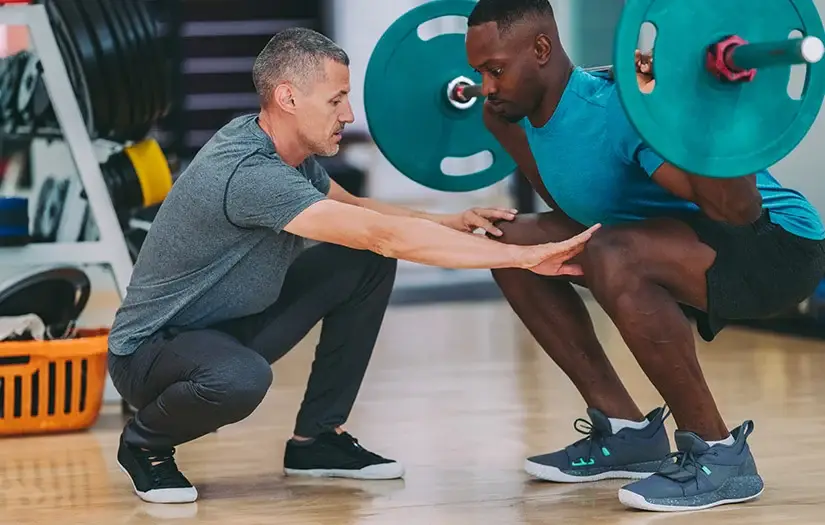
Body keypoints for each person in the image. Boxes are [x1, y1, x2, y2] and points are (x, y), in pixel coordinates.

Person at [106, 26, 598, 504]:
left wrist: (452, 221)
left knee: (363, 263)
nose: (349, 113)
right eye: (335, 99)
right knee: (241, 377)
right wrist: (523, 257)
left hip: (229, 326)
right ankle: (145, 444)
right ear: (288, 98)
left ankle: (317, 439)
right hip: (152, 353)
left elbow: (357, 210)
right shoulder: (250, 172)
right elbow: (381, 235)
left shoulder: (284, 149)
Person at [464, 0, 825, 513]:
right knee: (502, 243)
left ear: (541, 49)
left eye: (495, 70)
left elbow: (733, 208)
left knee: (615, 253)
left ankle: (720, 456)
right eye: (479, 73)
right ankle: (628, 433)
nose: (486, 86)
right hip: (684, 240)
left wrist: (701, 104)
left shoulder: (617, 111)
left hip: (775, 245)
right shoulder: (506, 118)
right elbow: (572, 209)